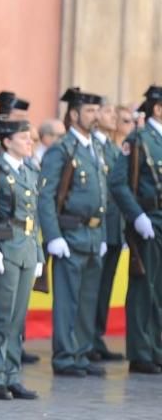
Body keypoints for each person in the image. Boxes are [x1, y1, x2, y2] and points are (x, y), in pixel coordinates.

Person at [38, 87, 108, 378]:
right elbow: (46, 196)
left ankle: (80, 352)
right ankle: (65, 356)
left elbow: (102, 196)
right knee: (68, 301)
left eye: (97, 111)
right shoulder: (62, 149)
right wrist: (53, 236)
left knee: (88, 299)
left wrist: (102, 235)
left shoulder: (96, 148)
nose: (96, 116)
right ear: (74, 114)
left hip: (93, 235)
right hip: (70, 234)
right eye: (90, 111)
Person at [0, 117, 43, 399]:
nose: (30, 143)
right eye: (24, 138)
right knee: (1, 316)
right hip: (5, 248)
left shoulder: (28, 170)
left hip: (25, 248)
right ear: (6, 141)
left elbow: (33, 215)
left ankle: (12, 374)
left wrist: (38, 252)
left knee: (18, 317)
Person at [108, 84, 162, 374]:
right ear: (157, 108)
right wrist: (137, 216)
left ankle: (157, 347)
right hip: (149, 220)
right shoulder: (139, 139)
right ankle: (141, 352)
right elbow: (117, 182)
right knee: (145, 287)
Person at [90, 101, 125, 362]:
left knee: (105, 287)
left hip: (114, 228)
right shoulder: (92, 145)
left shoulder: (112, 147)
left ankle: (97, 336)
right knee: (92, 287)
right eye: (108, 112)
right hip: (97, 227)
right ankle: (86, 338)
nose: (112, 117)